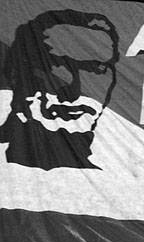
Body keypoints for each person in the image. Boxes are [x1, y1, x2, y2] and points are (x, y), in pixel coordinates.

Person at [0, 9, 119, 170]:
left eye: (95, 69)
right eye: (56, 65)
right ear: (17, 73)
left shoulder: (135, 168)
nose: (73, 92)